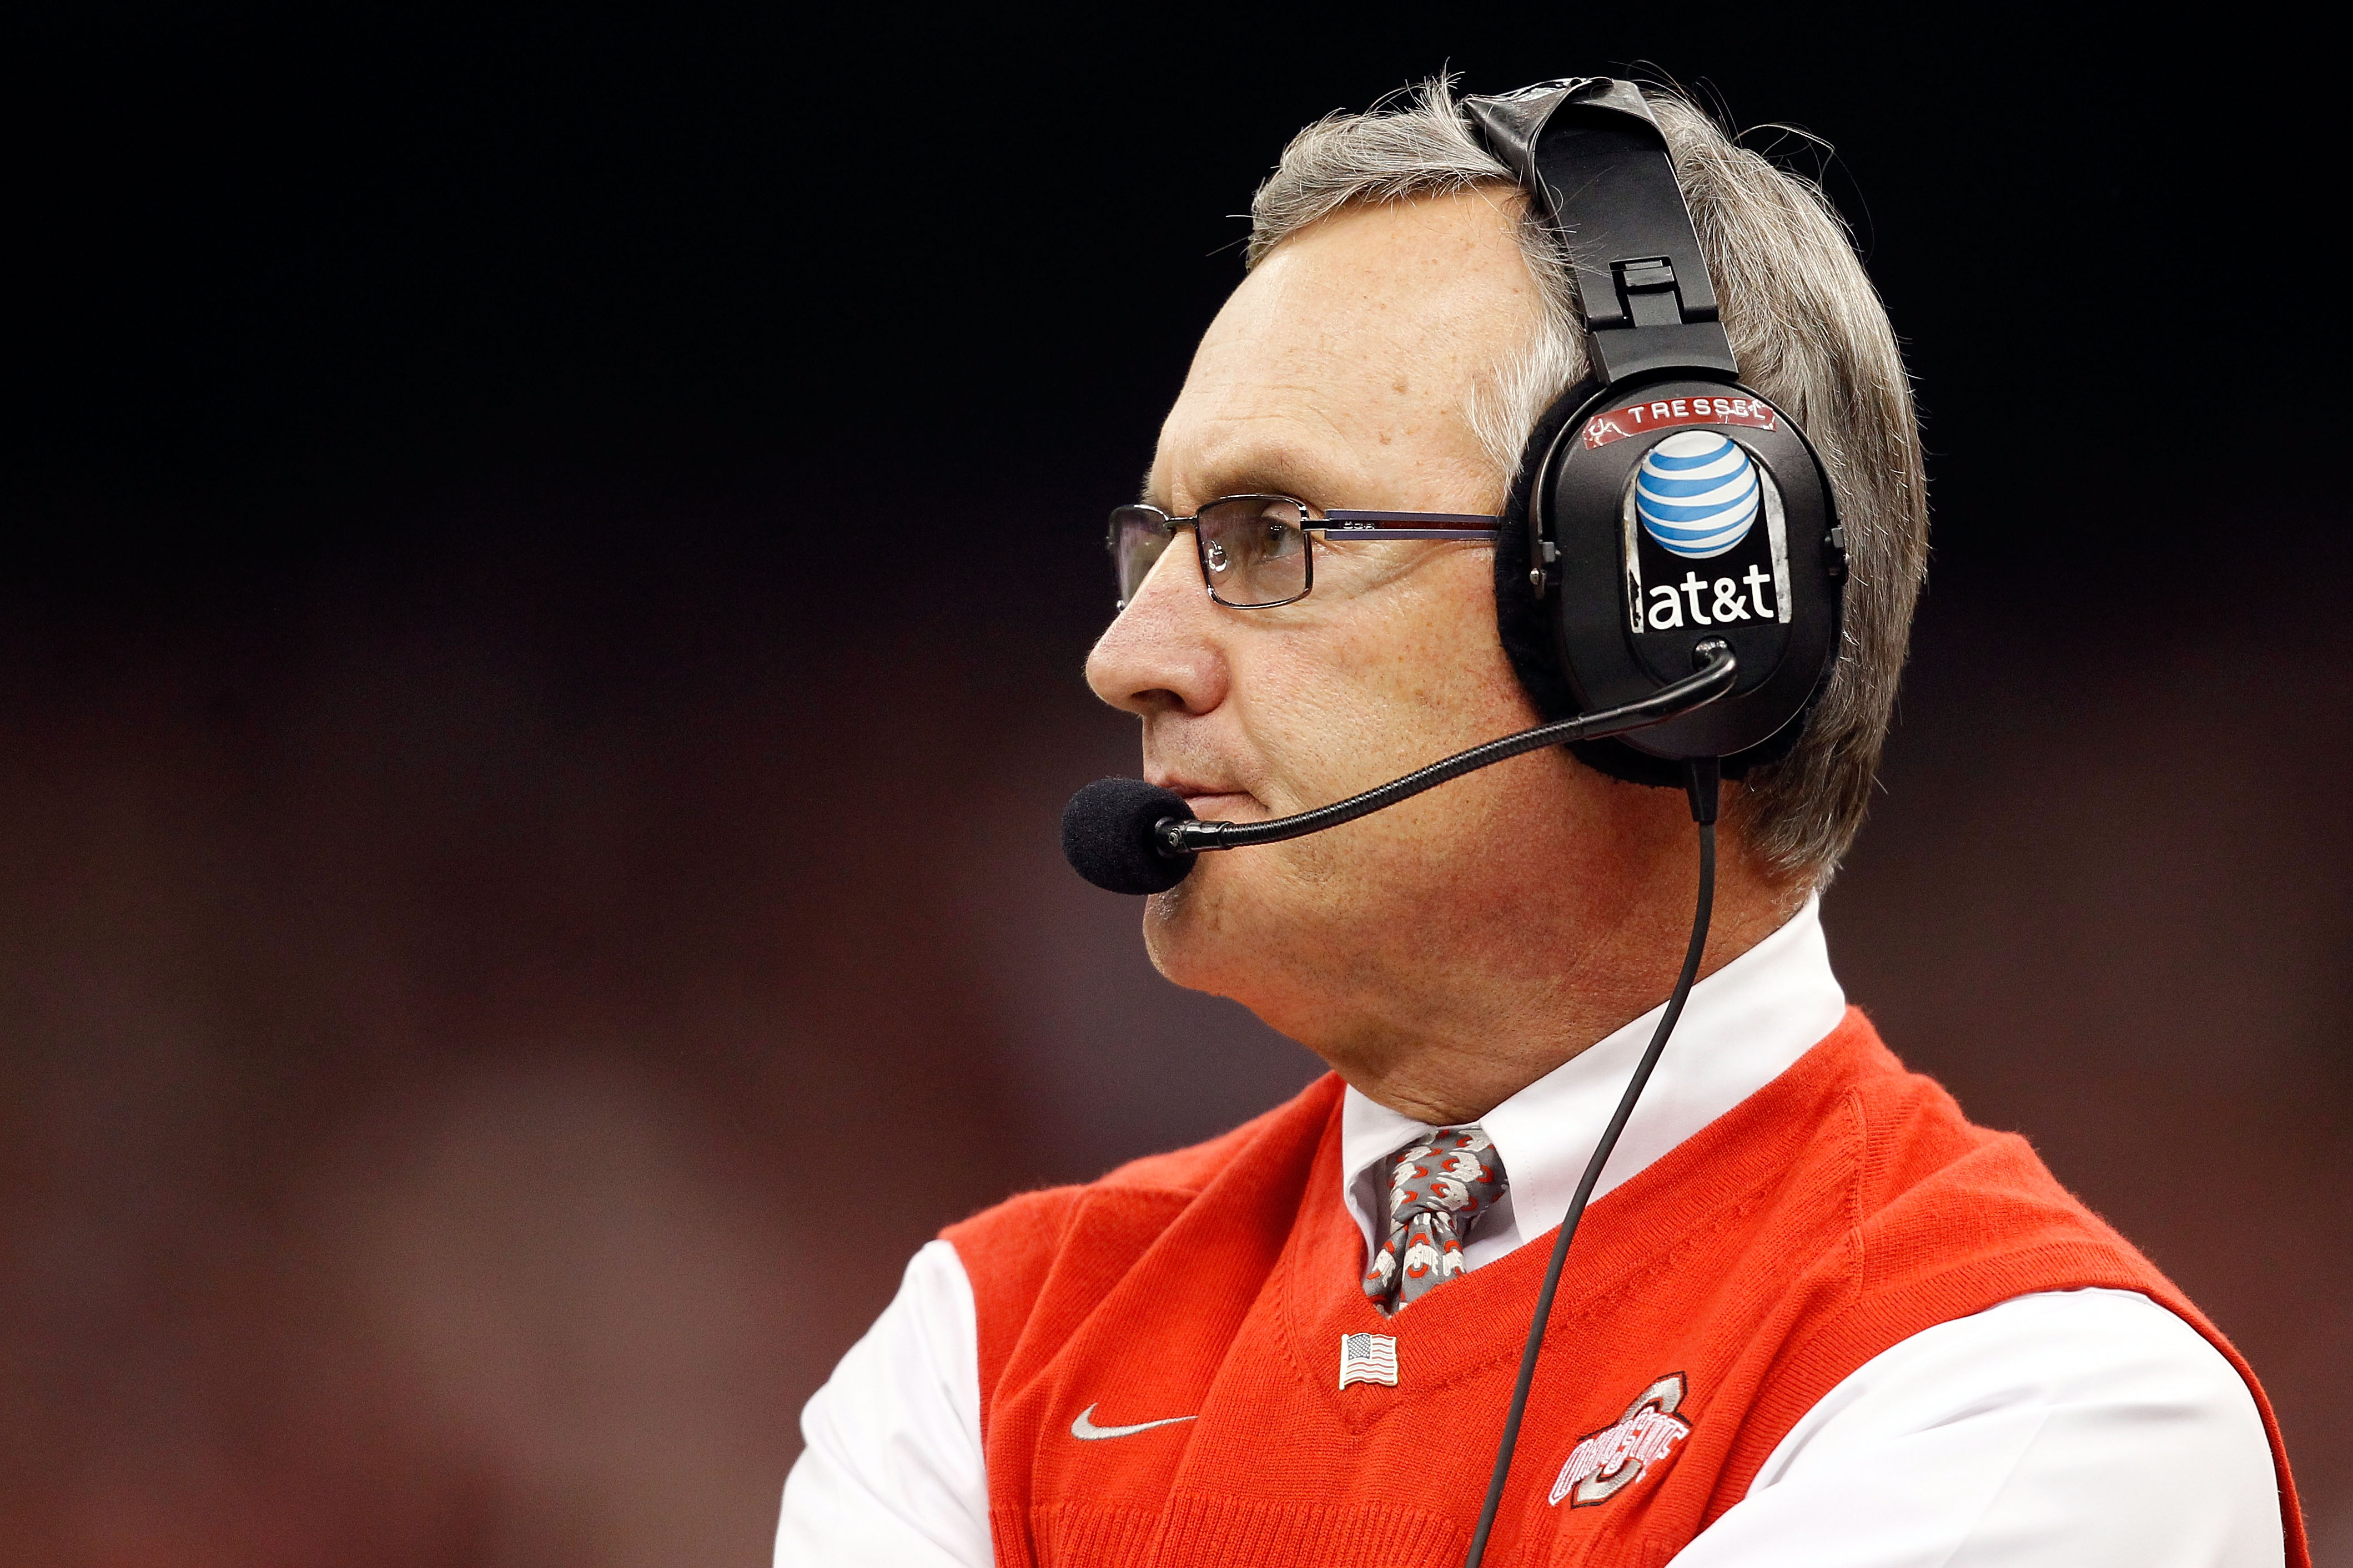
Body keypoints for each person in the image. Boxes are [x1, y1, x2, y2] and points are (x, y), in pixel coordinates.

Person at [776, 77, 2305, 1567]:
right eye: (1158, 545)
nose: (1130, 655)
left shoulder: (2042, 1399)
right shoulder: (980, 1350)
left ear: (1659, 620)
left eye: (1269, 538)